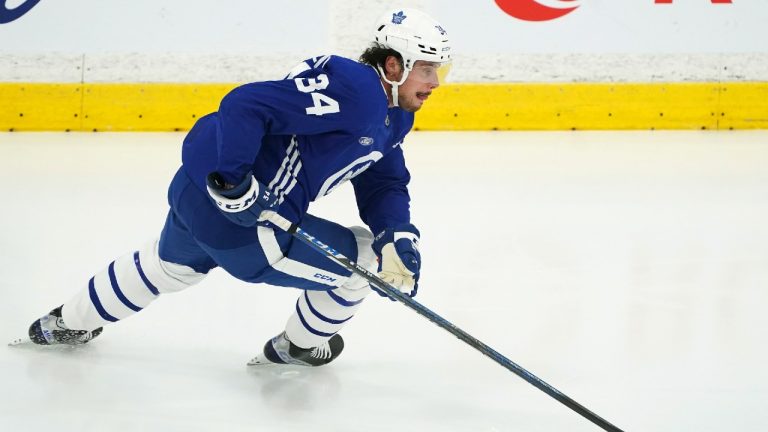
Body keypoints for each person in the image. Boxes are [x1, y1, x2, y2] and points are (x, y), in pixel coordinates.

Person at [26, 8, 452, 367]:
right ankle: (297, 348)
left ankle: (64, 322)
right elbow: (245, 104)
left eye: (440, 70)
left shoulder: (390, 113)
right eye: (428, 68)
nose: (435, 82)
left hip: (196, 192)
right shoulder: (360, 92)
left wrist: (395, 232)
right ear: (393, 65)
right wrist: (235, 183)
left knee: (166, 267)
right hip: (247, 223)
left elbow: (384, 179)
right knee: (362, 264)